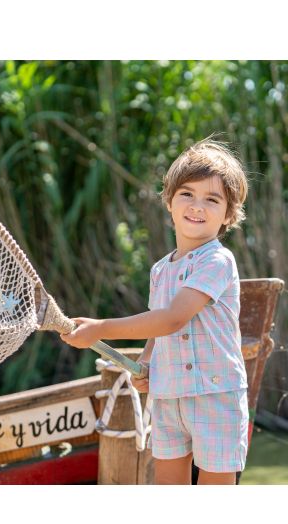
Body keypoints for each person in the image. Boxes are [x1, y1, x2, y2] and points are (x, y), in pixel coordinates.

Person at [61, 137, 249, 485]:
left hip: (215, 394)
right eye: (187, 194)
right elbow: (158, 328)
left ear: (228, 214)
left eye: (212, 199)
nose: (197, 206)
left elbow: (174, 317)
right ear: (169, 201)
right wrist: (147, 361)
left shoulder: (218, 260)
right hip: (168, 394)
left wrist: (100, 328)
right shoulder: (161, 269)